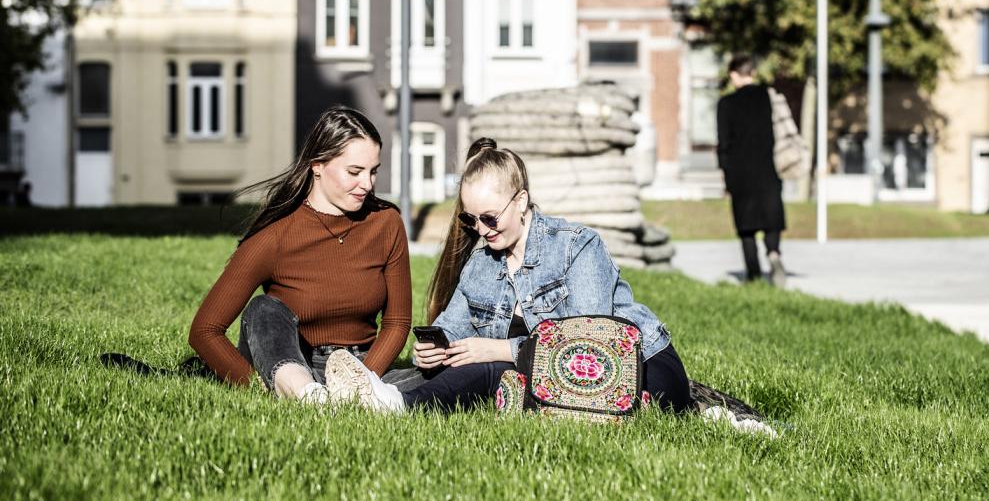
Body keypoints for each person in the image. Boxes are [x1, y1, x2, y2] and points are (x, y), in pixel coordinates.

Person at [325, 137, 697, 415]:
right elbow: (453, 327)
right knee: (485, 368)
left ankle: (387, 399)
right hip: (541, 375)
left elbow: (591, 343)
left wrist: (502, 349)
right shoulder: (481, 264)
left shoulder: (577, 246)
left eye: (490, 217)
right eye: (471, 219)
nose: (482, 229)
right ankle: (396, 404)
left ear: (520, 202)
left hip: (638, 364)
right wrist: (435, 350)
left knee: (497, 363)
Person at [187, 105, 411, 402]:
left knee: (462, 375)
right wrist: (255, 385)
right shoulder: (276, 235)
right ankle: (306, 396)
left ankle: (343, 398)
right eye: (355, 172)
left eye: (373, 172)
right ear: (317, 165)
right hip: (291, 365)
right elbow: (205, 331)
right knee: (262, 309)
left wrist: (362, 383)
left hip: (364, 367)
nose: (367, 184)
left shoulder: (387, 222)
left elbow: (397, 323)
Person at [715, 54, 788, 286]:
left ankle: (754, 274)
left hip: (740, 172)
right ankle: (774, 253)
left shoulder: (726, 104)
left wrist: (726, 177)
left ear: (734, 74)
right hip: (767, 168)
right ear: (753, 73)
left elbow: (723, 144)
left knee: (746, 227)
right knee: (771, 220)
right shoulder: (767, 97)